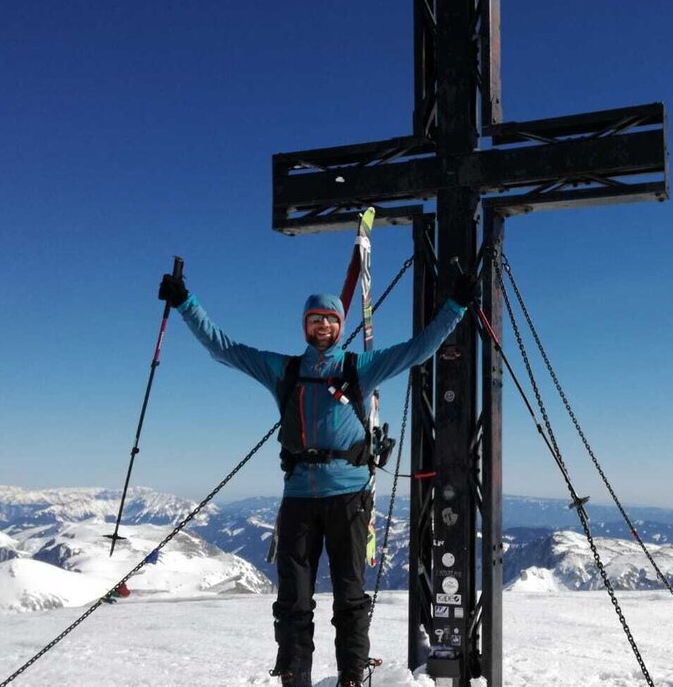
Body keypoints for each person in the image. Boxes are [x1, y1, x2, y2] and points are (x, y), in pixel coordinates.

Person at [158, 269, 476, 687]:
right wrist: (186, 303)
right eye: (315, 319)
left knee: (349, 597)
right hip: (299, 499)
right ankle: (294, 676)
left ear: (340, 326)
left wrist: (456, 306)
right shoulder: (285, 371)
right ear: (305, 326)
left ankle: (350, 677)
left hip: (348, 497)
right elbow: (225, 349)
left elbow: (418, 350)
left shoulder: (359, 367)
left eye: (330, 319)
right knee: (293, 599)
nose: (322, 325)